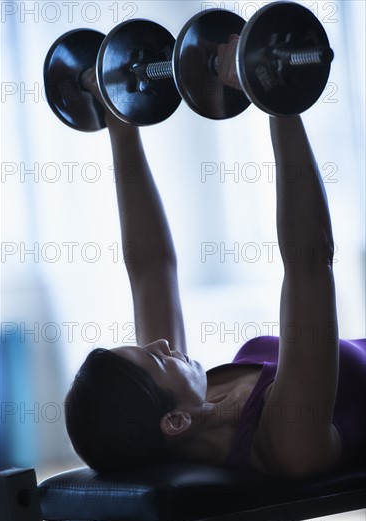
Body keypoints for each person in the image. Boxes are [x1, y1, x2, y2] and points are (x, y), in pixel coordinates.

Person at [65, 37, 366, 479]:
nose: (162, 344)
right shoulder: (288, 439)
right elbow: (310, 260)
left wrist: (120, 119)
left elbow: (151, 270)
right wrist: (276, 99)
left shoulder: (185, 398)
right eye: (158, 358)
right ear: (175, 422)